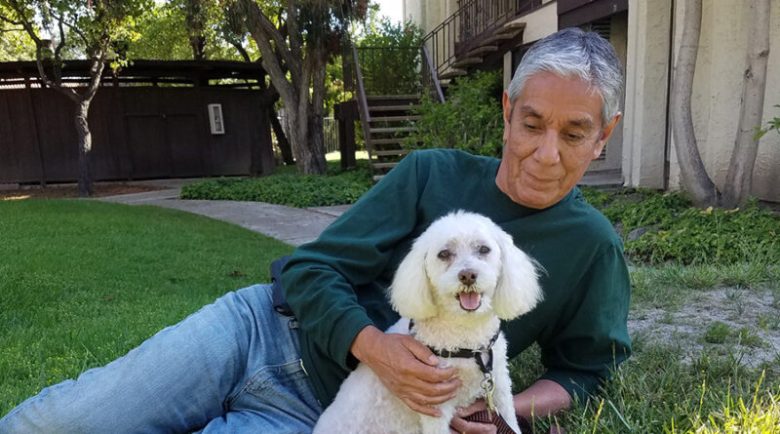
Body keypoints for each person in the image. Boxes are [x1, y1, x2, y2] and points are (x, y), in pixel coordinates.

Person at [0, 27, 631, 434]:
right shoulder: (429, 174)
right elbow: (306, 269)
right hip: (260, 331)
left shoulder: (592, 247)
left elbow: (584, 372)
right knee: (60, 423)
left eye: (574, 133)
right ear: (507, 112)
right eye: (531, 123)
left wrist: (501, 407)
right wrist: (376, 348)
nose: (546, 152)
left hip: (329, 417)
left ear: (603, 137)